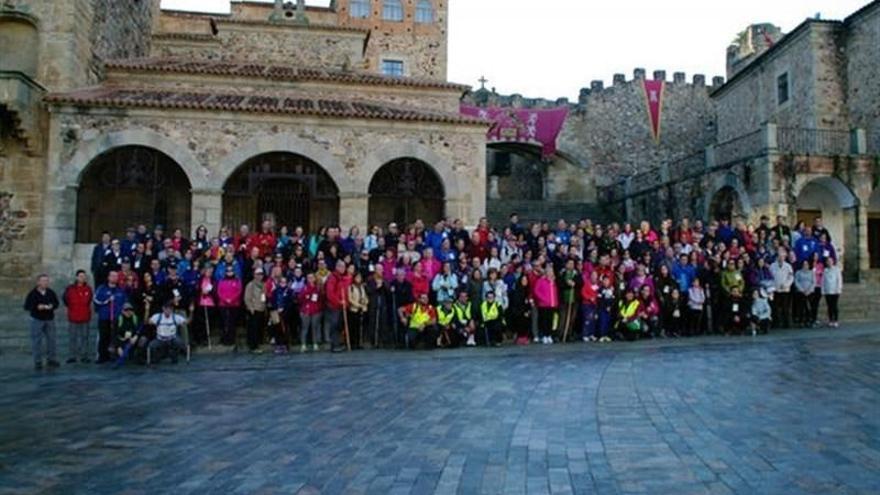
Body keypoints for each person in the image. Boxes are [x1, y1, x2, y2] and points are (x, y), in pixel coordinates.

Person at [23, 274, 61, 370]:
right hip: (37, 319)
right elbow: (27, 306)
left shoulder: (51, 292)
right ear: (38, 282)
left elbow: (56, 303)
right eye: (43, 281)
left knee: (51, 340)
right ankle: (38, 361)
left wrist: (52, 306)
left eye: (47, 281)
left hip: (49, 319)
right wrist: (37, 307)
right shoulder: (33, 294)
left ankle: (51, 359)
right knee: (37, 341)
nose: (45, 283)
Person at [93, 271, 127, 364]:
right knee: (104, 336)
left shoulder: (120, 290)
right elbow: (96, 300)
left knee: (114, 336)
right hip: (104, 317)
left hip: (116, 317)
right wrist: (106, 301)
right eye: (112, 276)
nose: (114, 278)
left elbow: (124, 303)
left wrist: (121, 312)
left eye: (116, 276)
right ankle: (102, 356)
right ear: (108, 277)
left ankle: (113, 355)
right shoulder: (102, 288)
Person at [62, 270, 93, 363]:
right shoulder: (70, 289)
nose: (82, 278)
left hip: (85, 316)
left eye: (84, 276)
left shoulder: (88, 289)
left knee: (85, 337)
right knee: (73, 337)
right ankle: (72, 356)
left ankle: (84, 355)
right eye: (80, 276)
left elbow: (89, 300)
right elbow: (65, 299)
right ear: (76, 277)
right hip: (73, 316)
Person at [243, 268, 268, 354]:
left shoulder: (263, 284)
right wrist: (251, 308)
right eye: (258, 274)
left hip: (261, 308)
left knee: (259, 329)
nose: (259, 276)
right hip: (254, 309)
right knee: (253, 329)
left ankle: (257, 344)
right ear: (254, 275)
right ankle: (253, 346)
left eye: (261, 274)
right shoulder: (250, 285)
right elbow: (247, 298)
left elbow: (264, 297)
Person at [217, 266, 242, 348]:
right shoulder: (221, 281)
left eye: (231, 271)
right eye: (228, 271)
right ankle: (225, 339)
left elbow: (239, 291)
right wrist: (225, 300)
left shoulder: (237, 280)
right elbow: (219, 292)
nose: (229, 272)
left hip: (234, 304)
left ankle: (232, 339)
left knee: (232, 322)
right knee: (225, 322)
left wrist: (232, 299)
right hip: (223, 304)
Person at [298, 272, 322, 352]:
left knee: (314, 327)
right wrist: (306, 296)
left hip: (316, 310)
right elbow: (300, 299)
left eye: (312, 277)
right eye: (309, 278)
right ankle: (303, 345)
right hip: (305, 311)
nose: (311, 279)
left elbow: (320, 299)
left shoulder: (317, 288)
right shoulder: (304, 288)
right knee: (305, 328)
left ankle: (315, 344)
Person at [533, 267, 559, 344]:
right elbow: (536, 291)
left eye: (551, 272)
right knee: (544, 320)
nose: (550, 273)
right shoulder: (541, 280)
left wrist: (556, 302)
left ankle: (549, 335)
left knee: (550, 320)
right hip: (544, 304)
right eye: (549, 272)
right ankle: (544, 335)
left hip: (552, 304)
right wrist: (543, 299)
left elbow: (555, 293)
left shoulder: (553, 282)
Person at [508, 274, 533, 345]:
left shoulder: (527, 290)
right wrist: (523, 311)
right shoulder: (517, 291)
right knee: (521, 319)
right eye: (523, 280)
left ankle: (525, 337)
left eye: (526, 280)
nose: (525, 282)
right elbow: (516, 304)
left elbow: (528, 302)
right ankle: (520, 337)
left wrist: (528, 310)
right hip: (518, 312)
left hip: (526, 311)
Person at [770, 253, 793, 329]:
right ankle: (776, 323)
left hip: (785, 290)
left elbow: (791, 278)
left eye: (782, 257)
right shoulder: (772, 266)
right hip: (775, 289)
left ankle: (786, 323)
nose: (781, 258)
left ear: (784, 257)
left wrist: (786, 285)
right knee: (775, 307)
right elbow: (770, 277)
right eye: (779, 257)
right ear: (777, 257)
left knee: (785, 307)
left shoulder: (788, 266)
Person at [347, 272, 368, 349]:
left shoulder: (362, 287)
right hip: (354, 309)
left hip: (362, 309)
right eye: (357, 277)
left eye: (359, 277)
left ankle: (359, 342)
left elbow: (365, 296)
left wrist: (365, 302)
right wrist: (358, 305)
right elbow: (350, 299)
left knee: (360, 327)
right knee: (353, 327)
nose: (358, 279)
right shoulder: (351, 287)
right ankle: (353, 343)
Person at [793, 260, 815, 328]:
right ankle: (801, 321)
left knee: (809, 307)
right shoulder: (798, 272)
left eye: (806, 264)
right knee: (801, 307)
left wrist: (809, 290)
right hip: (801, 292)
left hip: (810, 292)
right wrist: (802, 290)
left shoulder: (811, 273)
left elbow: (813, 282)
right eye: (804, 264)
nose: (805, 266)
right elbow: (796, 281)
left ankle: (809, 320)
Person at [822, 257, 842, 328]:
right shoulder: (825, 270)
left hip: (835, 290)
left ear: (833, 262)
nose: (829, 262)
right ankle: (830, 320)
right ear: (826, 262)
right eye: (828, 261)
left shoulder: (837, 270)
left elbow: (839, 280)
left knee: (834, 306)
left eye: (831, 261)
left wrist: (838, 289)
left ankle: (836, 320)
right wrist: (823, 290)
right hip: (827, 291)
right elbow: (823, 281)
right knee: (829, 306)